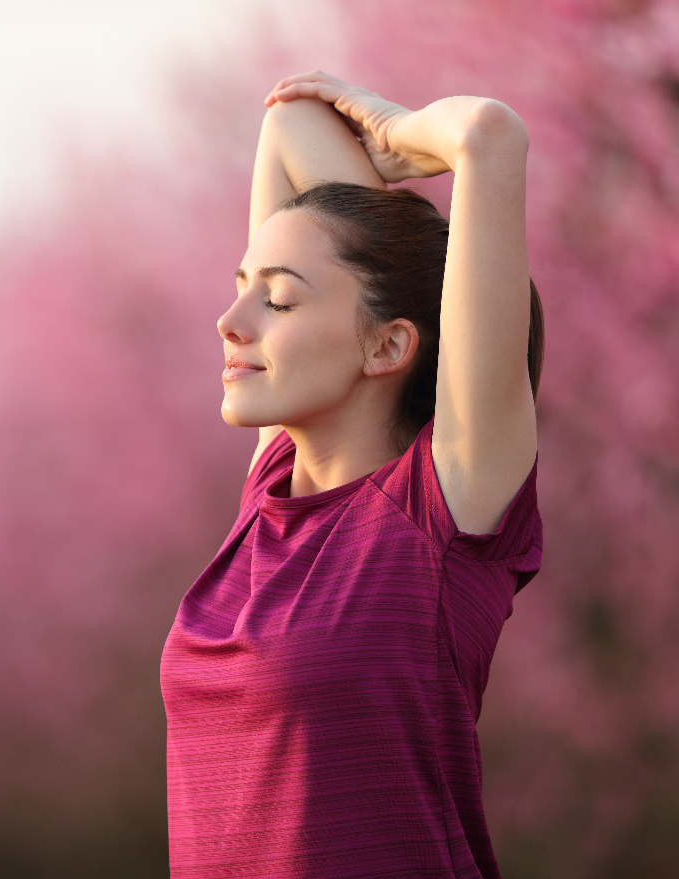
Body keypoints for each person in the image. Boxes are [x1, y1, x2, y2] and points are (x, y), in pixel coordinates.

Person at [159, 71, 544, 878]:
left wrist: (398, 134)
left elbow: (489, 135)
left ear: (389, 347)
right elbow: (289, 122)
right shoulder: (269, 494)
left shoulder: (444, 512)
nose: (231, 323)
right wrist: (388, 226)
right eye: (241, 290)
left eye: (280, 302)